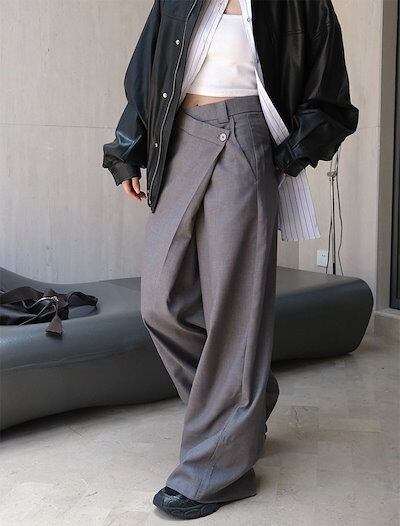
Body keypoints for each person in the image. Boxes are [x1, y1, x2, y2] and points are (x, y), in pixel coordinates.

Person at [102, 0, 359, 519]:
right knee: (160, 302)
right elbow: (147, 72)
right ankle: (247, 401)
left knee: (235, 311)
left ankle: (218, 469)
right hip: (179, 138)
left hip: (246, 138)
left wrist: (288, 155)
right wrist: (128, 149)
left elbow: (329, 90)